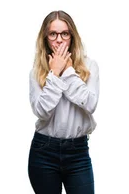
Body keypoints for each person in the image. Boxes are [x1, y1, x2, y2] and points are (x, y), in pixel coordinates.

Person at [28, 10, 100, 194]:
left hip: (78, 152)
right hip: (44, 151)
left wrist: (67, 72)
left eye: (64, 34)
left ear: (72, 37)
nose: (59, 40)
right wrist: (54, 74)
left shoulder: (89, 65)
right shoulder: (37, 70)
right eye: (53, 34)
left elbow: (90, 104)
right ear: (45, 38)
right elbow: (42, 112)